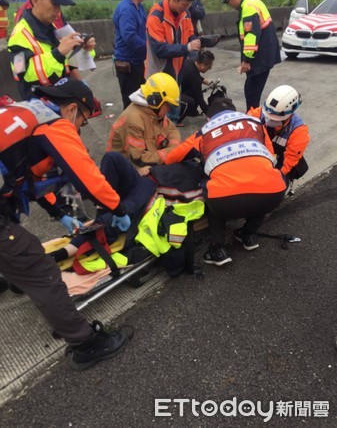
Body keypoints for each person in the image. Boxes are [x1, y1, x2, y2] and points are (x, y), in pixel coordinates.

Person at [0, 78, 134, 370]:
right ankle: (86, 345)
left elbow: (28, 180)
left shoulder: (25, 112)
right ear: (72, 108)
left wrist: (59, 212)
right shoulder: (53, 122)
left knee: (14, 246)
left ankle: (11, 273)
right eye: (83, 122)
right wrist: (117, 208)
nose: (81, 129)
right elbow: (85, 175)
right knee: (39, 270)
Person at [165, 99, 287, 266]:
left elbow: (173, 157)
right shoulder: (255, 123)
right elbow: (270, 156)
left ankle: (217, 249)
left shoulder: (205, 131)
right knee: (264, 180)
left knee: (213, 186)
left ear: (209, 118)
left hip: (226, 202)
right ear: (234, 111)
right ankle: (248, 234)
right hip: (273, 196)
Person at [7, 0, 96, 100]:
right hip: (40, 109)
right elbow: (23, 73)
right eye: (54, 3)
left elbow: (66, 63)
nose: (58, 10)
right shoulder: (19, 35)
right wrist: (57, 54)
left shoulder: (51, 28)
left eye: (59, 4)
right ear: (35, 0)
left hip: (62, 101)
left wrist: (84, 48)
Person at [145, 0, 201, 123]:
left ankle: (171, 141)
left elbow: (189, 34)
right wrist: (187, 48)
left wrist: (196, 41)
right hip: (159, 76)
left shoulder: (185, 15)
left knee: (173, 118)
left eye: (189, 5)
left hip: (176, 75)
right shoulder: (156, 16)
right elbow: (160, 49)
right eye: (184, 4)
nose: (187, 8)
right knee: (157, 118)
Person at [107, 72, 181, 176]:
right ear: (156, 100)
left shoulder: (153, 112)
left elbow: (172, 130)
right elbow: (139, 158)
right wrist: (171, 153)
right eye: (168, 105)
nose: (169, 109)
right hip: (125, 171)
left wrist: (172, 149)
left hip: (142, 164)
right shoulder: (134, 120)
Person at [223, 0, 281, 112]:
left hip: (259, 58)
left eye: (227, 2)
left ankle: (253, 122)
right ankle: (253, 117)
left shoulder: (248, 7)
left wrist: (246, 61)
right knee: (251, 91)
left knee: (251, 93)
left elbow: (251, 36)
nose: (230, 6)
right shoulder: (253, 1)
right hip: (264, 54)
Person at [248, 85, 310, 184]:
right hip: (258, 154)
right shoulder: (257, 114)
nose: (270, 120)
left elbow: (289, 160)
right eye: (269, 116)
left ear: (289, 115)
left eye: (275, 118)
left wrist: (275, 177)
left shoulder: (298, 131)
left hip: (280, 160)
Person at [113, 0, 147, 109]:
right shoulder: (126, 9)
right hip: (128, 65)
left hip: (137, 63)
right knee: (132, 105)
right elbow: (130, 38)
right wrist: (149, 48)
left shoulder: (139, 7)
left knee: (141, 102)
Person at [178, 50, 214, 126]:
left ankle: (192, 112)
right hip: (174, 95)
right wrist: (210, 114)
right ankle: (176, 119)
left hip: (179, 87)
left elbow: (193, 75)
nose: (210, 68)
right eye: (209, 67)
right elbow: (200, 99)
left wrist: (204, 81)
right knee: (191, 100)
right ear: (203, 65)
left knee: (194, 91)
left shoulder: (192, 62)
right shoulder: (195, 78)